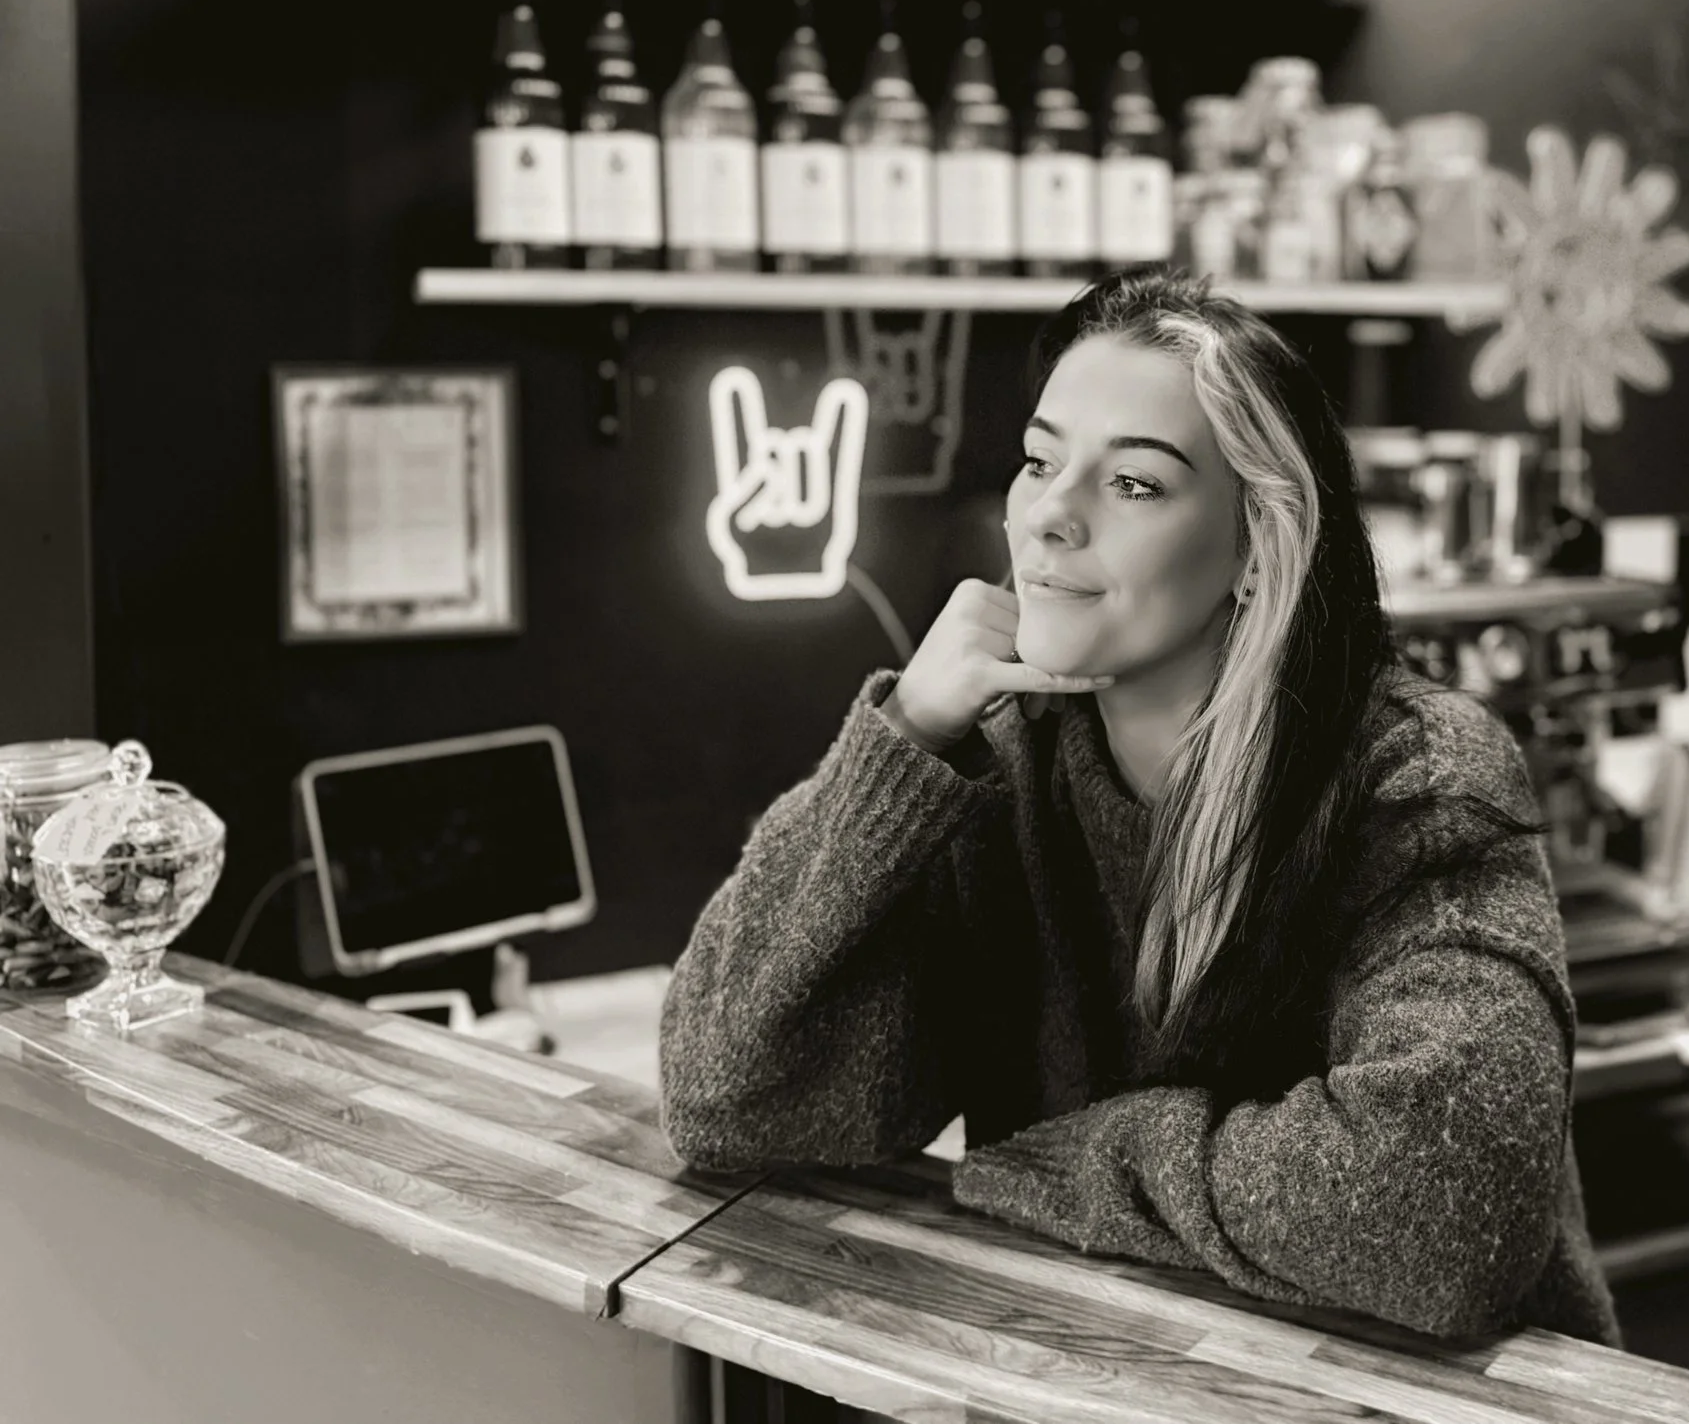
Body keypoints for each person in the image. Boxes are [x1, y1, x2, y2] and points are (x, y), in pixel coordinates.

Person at [658, 267, 1620, 1347]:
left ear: (1258, 545)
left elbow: (1444, 1217)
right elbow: (725, 1095)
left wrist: (1084, 1157)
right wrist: (901, 740)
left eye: (1137, 484)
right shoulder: (995, 769)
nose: (1049, 519)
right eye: (1039, 460)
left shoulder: (1418, 773)